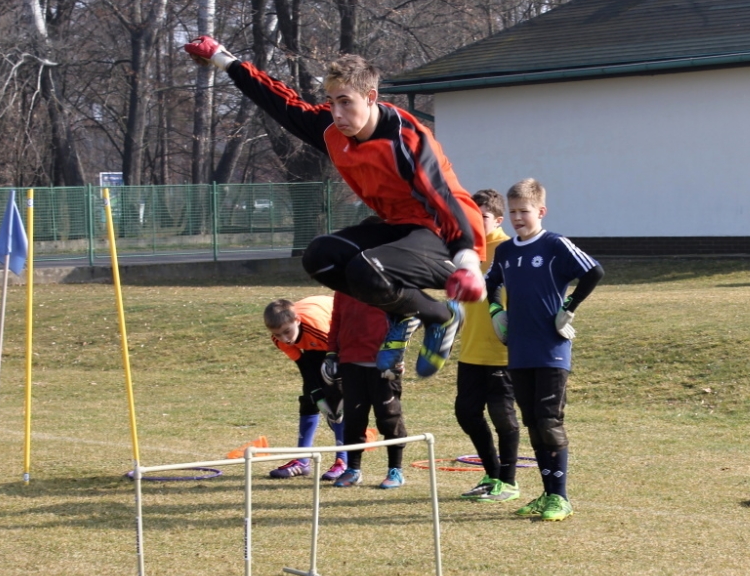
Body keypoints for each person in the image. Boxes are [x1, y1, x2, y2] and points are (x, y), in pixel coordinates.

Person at [184, 37, 486, 379]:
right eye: (331, 103)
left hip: (446, 233)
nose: (338, 114)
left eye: (346, 102)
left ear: (371, 98)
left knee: (366, 269)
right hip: (398, 226)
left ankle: (441, 315)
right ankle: (412, 312)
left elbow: (443, 198)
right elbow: (280, 103)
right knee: (320, 257)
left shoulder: (407, 139)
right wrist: (224, 60)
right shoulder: (332, 130)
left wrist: (467, 259)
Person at [485, 179, 603, 521]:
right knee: (533, 422)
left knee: (549, 421)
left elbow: (594, 271)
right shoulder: (505, 251)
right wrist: (496, 312)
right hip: (518, 349)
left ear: (541, 211)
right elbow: (491, 284)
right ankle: (547, 493)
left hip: (551, 348)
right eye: (512, 212)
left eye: (524, 211)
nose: (518, 218)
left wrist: (570, 305)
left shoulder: (554, 245)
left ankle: (560, 498)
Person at [454, 190, 521, 502]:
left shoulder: (510, 250)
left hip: (502, 350)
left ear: (497, 219)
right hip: (470, 350)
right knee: (466, 413)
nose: (475, 224)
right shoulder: (465, 252)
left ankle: (508, 481)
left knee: (503, 416)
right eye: (471, 217)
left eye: (481, 217)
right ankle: (492, 473)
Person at [327, 291, 412, 489]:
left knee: (389, 417)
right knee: (354, 418)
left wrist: (398, 354)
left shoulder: (388, 282)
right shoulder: (342, 285)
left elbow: (406, 320)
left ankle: (395, 470)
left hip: (383, 364)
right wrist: (331, 353)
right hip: (350, 362)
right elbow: (336, 320)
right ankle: (353, 470)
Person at [263, 297, 348, 480]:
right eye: (278, 335)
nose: (284, 339)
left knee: (337, 401)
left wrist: (335, 397)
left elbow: (344, 356)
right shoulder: (279, 339)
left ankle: (343, 460)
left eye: (287, 332)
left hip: (338, 334)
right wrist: (316, 395)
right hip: (312, 342)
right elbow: (304, 367)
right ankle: (302, 461)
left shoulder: (317, 329)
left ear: (297, 321)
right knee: (309, 398)